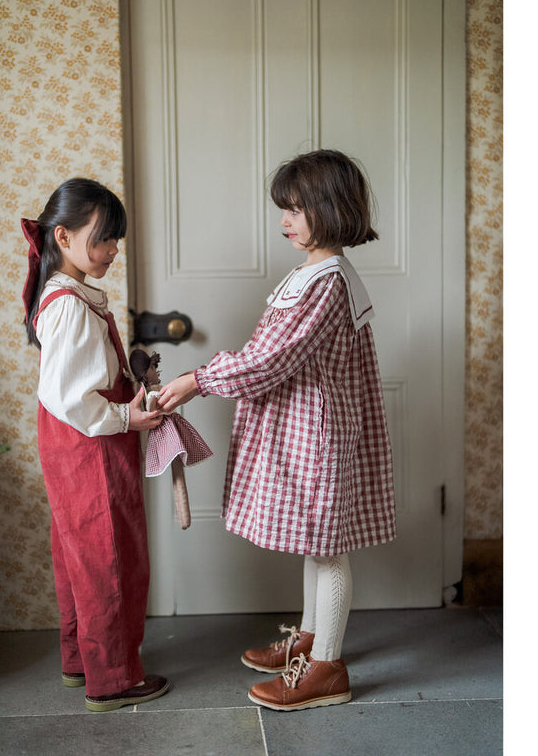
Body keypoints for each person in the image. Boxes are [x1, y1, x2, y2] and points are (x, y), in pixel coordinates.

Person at [157, 149, 396, 712]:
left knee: (327, 548)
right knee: (316, 541)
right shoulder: (310, 274)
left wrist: (200, 379)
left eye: (296, 209)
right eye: (283, 209)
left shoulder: (326, 283)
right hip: (306, 429)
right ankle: (312, 640)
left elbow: (272, 359)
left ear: (330, 209)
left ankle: (327, 668)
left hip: (318, 435)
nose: (285, 221)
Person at [21, 177, 169, 712]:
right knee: (110, 557)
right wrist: (127, 415)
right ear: (63, 237)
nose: (112, 250)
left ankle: (80, 660)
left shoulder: (69, 295)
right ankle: (113, 679)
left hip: (74, 444)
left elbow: (76, 380)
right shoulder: (70, 305)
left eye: (115, 241)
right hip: (91, 446)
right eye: (103, 239)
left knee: (78, 553)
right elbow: (70, 396)